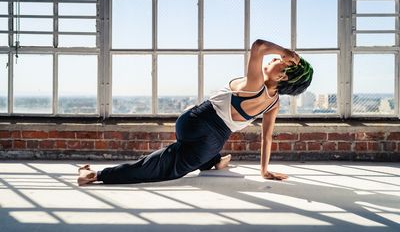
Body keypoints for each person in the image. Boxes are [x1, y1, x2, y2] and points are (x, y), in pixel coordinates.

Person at [77, 39, 313, 186]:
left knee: (189, 156)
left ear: (282, 76)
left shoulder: (257, 86)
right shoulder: (270, 100)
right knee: (163, 168)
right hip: (207, 136)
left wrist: (285, 50)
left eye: (281, 61)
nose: (275, 58)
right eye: (279, 56)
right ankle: (97, 175)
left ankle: (214, 161)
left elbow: (259, 46)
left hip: (194, 122)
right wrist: (264, 170)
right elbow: (266, 137)